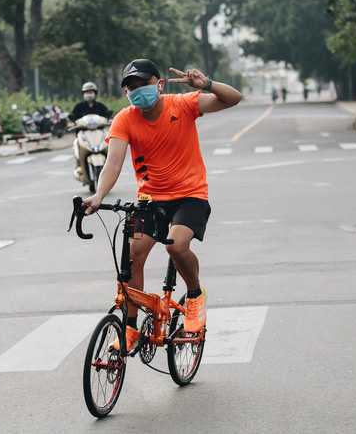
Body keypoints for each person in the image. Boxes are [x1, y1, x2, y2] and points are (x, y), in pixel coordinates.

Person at [83, 59, 242, 352]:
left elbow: (233, 98)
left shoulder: (183, 104)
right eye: (130, 88)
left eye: (141, 84)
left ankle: (194, 296)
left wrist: (205, 84)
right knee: (131, 257)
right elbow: (113, 163)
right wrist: (98, 196)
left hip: (190, 195)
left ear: (157, 84)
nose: (135, 91)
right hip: (151, 199)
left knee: (176, 246)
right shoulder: (124, 119)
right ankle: (130, 328)